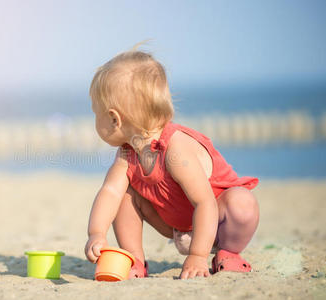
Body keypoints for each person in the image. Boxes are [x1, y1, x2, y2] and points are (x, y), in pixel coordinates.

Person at [84, 46, 260, 280]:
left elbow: (205, 202)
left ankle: (228, 253)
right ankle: (134, 258)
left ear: (115, 119)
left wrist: (197, 256)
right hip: (174, 222)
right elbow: (109, 192)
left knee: (242, 202)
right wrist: (96, 233)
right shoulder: (127, 153)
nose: (95, 120)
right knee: (125, 195)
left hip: (215, 222)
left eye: (97, 114)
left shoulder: (175, 149)